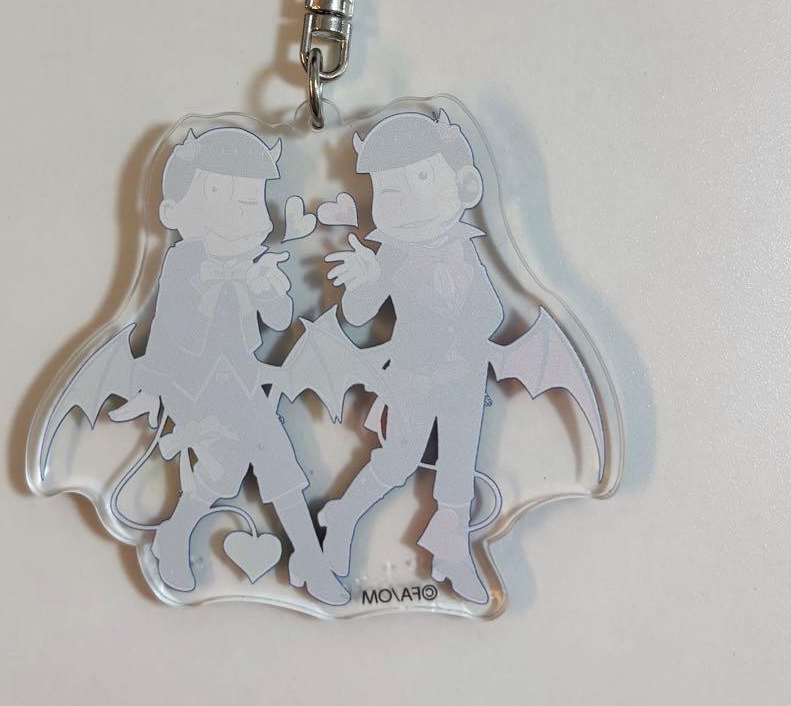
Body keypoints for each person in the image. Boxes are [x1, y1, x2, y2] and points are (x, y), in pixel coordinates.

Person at [113, 126, 348, 606]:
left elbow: (279, 320)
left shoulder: (253, 263)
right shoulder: (183, 262)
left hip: (241, 384)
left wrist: (266, 289)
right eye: (218, 196)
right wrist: (151, 387)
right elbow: (166, 327)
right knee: (233, 468)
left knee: (271, 466)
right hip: (191, 386)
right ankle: (178, 537)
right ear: (173, 213)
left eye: (248, 200)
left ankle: (308, 559)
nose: (238, 214)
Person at [320, 109, 504, 603]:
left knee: (459, 469)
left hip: (465, 378)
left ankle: (453, 555)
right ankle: (342, 516)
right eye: (390, 190)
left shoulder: (463, 248)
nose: (410, 202)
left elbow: (491, 310)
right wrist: (363, 282)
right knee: (398, 460)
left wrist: (468, 332)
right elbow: (359, 314)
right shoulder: (394, 254)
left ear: (463, 184)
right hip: (413, 380)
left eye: (423, 179)